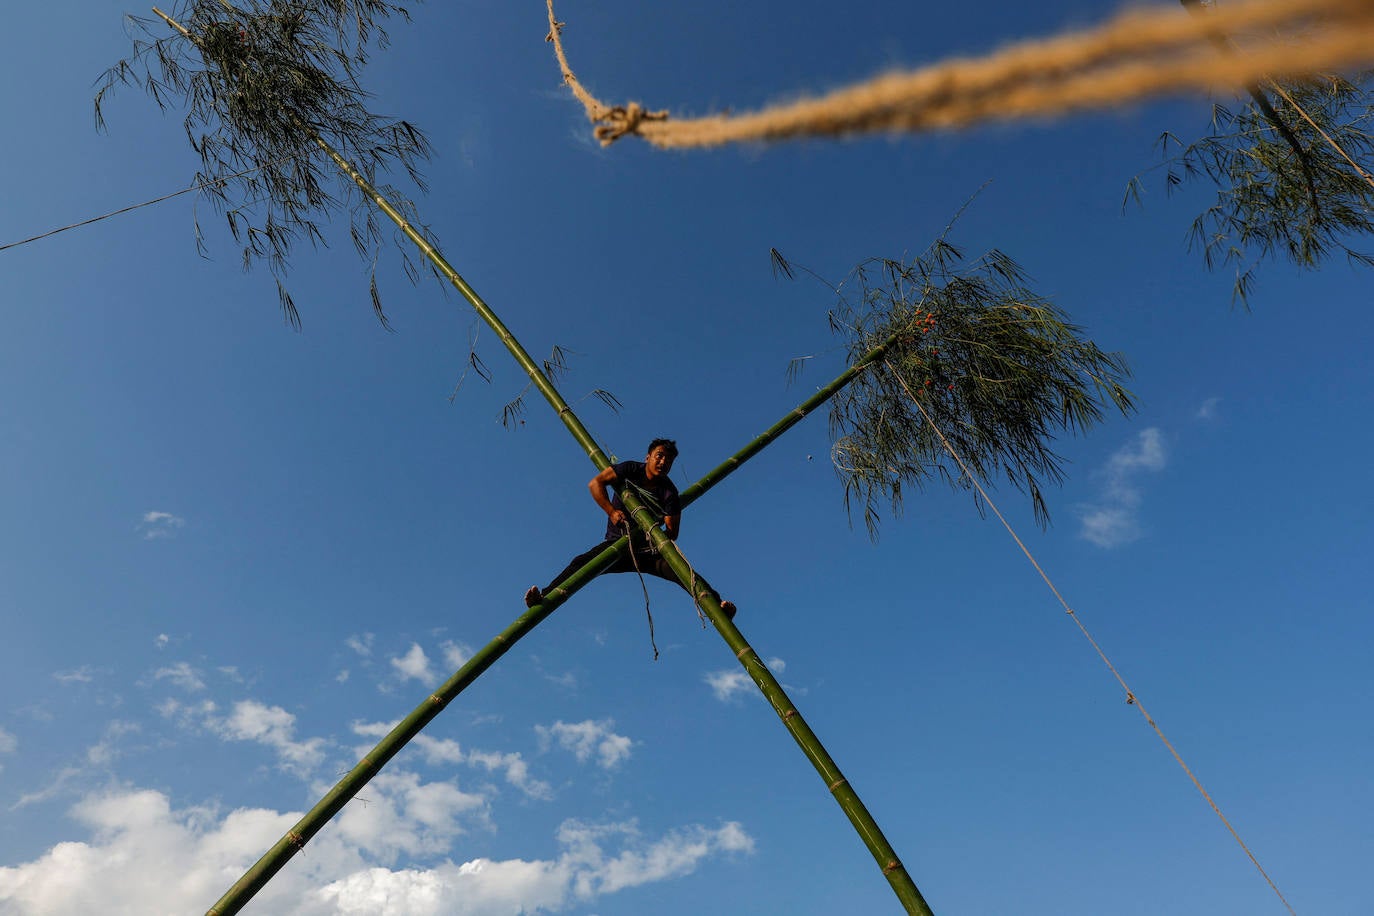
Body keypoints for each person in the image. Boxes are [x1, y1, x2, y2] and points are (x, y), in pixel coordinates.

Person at [524, 438, 736, 620]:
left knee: (685, 573)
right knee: (580, 563)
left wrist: (659, 524)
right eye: (659, 456)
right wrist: (611, 512)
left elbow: (673, 533)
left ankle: (717, 608)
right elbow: (595, 484)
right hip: (618, 545)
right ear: (648, 457)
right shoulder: (630, 470)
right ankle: (544, 596)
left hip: (649, 551)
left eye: (668, 461)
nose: (663, 462)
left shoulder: (669, 492)